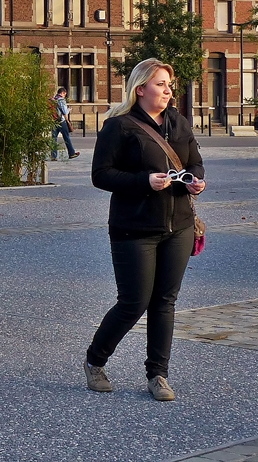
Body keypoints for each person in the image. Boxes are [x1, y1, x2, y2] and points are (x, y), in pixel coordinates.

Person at [84, 58, 205, 401]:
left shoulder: (178, 122)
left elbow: (195, 161)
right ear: (140, 89)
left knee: (165, 302)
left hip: (179, 225)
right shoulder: (119, 126)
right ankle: (95, 360)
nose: (168, 91)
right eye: (160, 84)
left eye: (169, 84)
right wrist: (144, 181)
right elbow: (101, 175)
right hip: (134, 228)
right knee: (133, 302)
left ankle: (158, 375)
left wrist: (196, 180)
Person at [50, 86, 81, 159]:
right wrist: (69, 109)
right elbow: (64, 111)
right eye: (65, 94)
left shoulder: (53, 99)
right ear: (63, 93)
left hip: (54, 121)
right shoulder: (61, 100)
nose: (64, 96)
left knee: (53, 139)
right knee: (66, 137)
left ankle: (53, 156)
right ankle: (71, 153)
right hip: (61, 121)